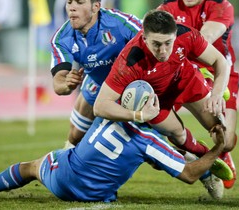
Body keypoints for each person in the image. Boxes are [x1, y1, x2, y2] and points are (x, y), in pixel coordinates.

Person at [0, 116, 229, 201]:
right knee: (153, 157)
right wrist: (217, 149)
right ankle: (209, 175)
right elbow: (188, 174)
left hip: (62, 179)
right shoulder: (150, 140)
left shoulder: (105, 110)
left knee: (31, 167)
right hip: (95, 195)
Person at [94, 10, 230, 165]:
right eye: (156, 44)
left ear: (175, 34)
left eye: (168, 43)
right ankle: (207, 159)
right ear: (144, 38)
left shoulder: (186, 34)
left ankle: (210, 84)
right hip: (156, 100)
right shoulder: (129, 61)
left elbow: (220, 61)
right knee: (178, 135)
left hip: (186, 80)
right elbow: (100, 106)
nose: (163, 51)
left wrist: (217, 94)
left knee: (219, 130)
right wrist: (138, 116)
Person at [157, 0, 239, 188]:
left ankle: (222, 152)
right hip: (181, 71)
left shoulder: (220, 5)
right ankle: (197, 155)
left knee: (226, 138)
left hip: (218, 71)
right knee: (159, 123)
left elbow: (204, 40)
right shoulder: (169, 5)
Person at [50, 0, 142, 148]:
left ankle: (201, 165)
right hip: (97, 83)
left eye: (80, 2)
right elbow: (58, 83)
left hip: (133, 84)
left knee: (154, 139)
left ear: (96, 6)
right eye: (69, 2)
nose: (72, 8)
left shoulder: (121, 23)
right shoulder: (61, 38)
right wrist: (67, 83)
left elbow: (151, 39)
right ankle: (64, 168)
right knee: (75, 137)